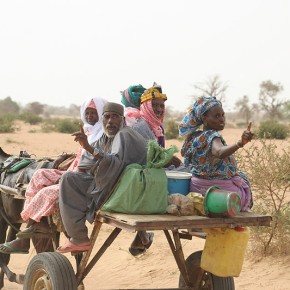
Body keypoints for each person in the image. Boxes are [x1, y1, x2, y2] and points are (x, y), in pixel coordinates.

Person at [0, 97, 107, 254]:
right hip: (74, 172)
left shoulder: (103, 134)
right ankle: (36, 225)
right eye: (88, 113)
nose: (90, 116)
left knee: (46, 192)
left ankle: (25, 238)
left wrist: (85, 149)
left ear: (101, 114)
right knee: (39, 175)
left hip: (83, 180)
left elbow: (97, 161)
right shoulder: (90, 131)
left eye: (94, 113)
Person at [56, 102, 148, 253]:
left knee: (68, 180)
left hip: (120, 189)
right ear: (103, 119)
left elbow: (115, 164)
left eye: (115, 117)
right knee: (71, 177)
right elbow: (88, 162)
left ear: (122, 119)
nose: (110, 121)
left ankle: (79, 237)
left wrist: (90, 149)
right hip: (110, 182)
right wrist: (90, 152)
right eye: (107, 117)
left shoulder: (124, 135)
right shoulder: (107, 136)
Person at [121, 83, 181, 256]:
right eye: (154, 105)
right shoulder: (139, 127)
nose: (159, 109)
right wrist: (166, 159)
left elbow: (158, 153)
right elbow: (143, 156)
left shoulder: (158, 127)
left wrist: (167, 159)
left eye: (161, 106)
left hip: (153, 169)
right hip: (137, 172)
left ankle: (143, 236)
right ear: (145, 107)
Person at [178, 96, 254, 211]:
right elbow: (218, 152)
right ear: (204, 119)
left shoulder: (193, 137)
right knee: (243, 185)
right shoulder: (212, 136)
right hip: (218, 194)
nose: (222, 119)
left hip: (196, 189)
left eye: (223, 115)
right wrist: (240, 143)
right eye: (216, 116)